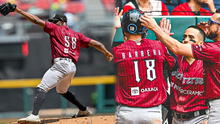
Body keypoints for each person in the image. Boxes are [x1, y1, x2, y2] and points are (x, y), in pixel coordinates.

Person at [0, 2, 113, 123]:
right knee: (62, 91)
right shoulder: (77, 34)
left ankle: (34, 115)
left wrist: (18, 11)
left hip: (61, 64)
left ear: (62, 22)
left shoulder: (55, 28)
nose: (53, 23)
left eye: (55, 21)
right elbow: (96, 43)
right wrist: (106, 52)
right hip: (72, 67)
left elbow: (36, 20)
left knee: (41, 88)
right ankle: (83, 110)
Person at [140, 9, 220, 124]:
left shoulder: (210, 54)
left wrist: (154, 27)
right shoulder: (176, 59)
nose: (186, 40)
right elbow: (156, 57)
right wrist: (160, 39)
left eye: (210, 23)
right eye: (184, 36)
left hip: (202, 116)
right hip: (177, 117)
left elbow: (176, 47)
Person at [112, 9, 175, 124]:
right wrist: (162, 37)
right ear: (144, 28)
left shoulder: (118, 51)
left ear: (124, 28)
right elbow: (173, 65)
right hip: (154, 112)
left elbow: (102, 55)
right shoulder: (158, 46)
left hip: (126, 112)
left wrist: (113, 28)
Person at [167, 25, 208, 124]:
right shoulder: (174, 59)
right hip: (175, 118)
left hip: (199, 118)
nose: (185, 40)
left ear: (200, 43)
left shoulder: (207, 64)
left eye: (191, 38)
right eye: (184, 37)